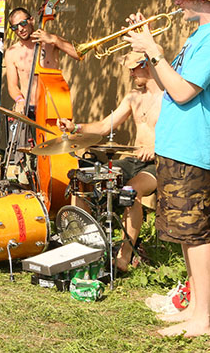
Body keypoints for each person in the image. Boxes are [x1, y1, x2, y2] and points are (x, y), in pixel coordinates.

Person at [123, 0, 210, 337]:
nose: (173, 1)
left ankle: (203, 320)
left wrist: (154, 49)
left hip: (194, 147)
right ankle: (193, 308)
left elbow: (184, 91)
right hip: (177, 146)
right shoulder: (199, 35)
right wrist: (147, 47)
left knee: (195, 233)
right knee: (185, 233)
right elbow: (167, 81)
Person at [58, 51, 162, 272]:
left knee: (129, 192)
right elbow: (104, 127)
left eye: (134, 68)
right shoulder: (133, 96)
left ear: (147, 65)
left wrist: (156, 149)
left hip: (158, 163)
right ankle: (84, 246)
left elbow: (185, 135)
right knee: (84, 180)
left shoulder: (169, 97)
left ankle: (123, 258)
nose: (131, 73)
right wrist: (74, 127)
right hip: (133, 158)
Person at [4, 7, 81, 168]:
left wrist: (54, 39)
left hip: (51, 109)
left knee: (56, 154)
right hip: (27, 110)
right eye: (15, 27)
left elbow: (78, 54)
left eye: (23, 23)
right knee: (23, 160)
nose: (20, 29)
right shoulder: (12, 52)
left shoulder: (50, 42)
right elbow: (12, 85)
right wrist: (19, 99)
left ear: (31, 20)